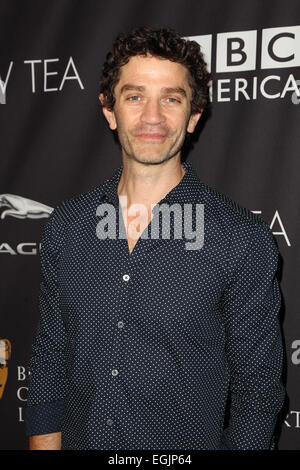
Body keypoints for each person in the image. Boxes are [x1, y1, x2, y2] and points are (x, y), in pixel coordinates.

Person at [25, 26, 285, 450]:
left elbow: (257, 395)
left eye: (171, 98)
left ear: (193, 115)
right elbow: (51, 357)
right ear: (109, 111)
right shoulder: (67, 226)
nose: (152, 117)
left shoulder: (241, 239)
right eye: (134, 96)